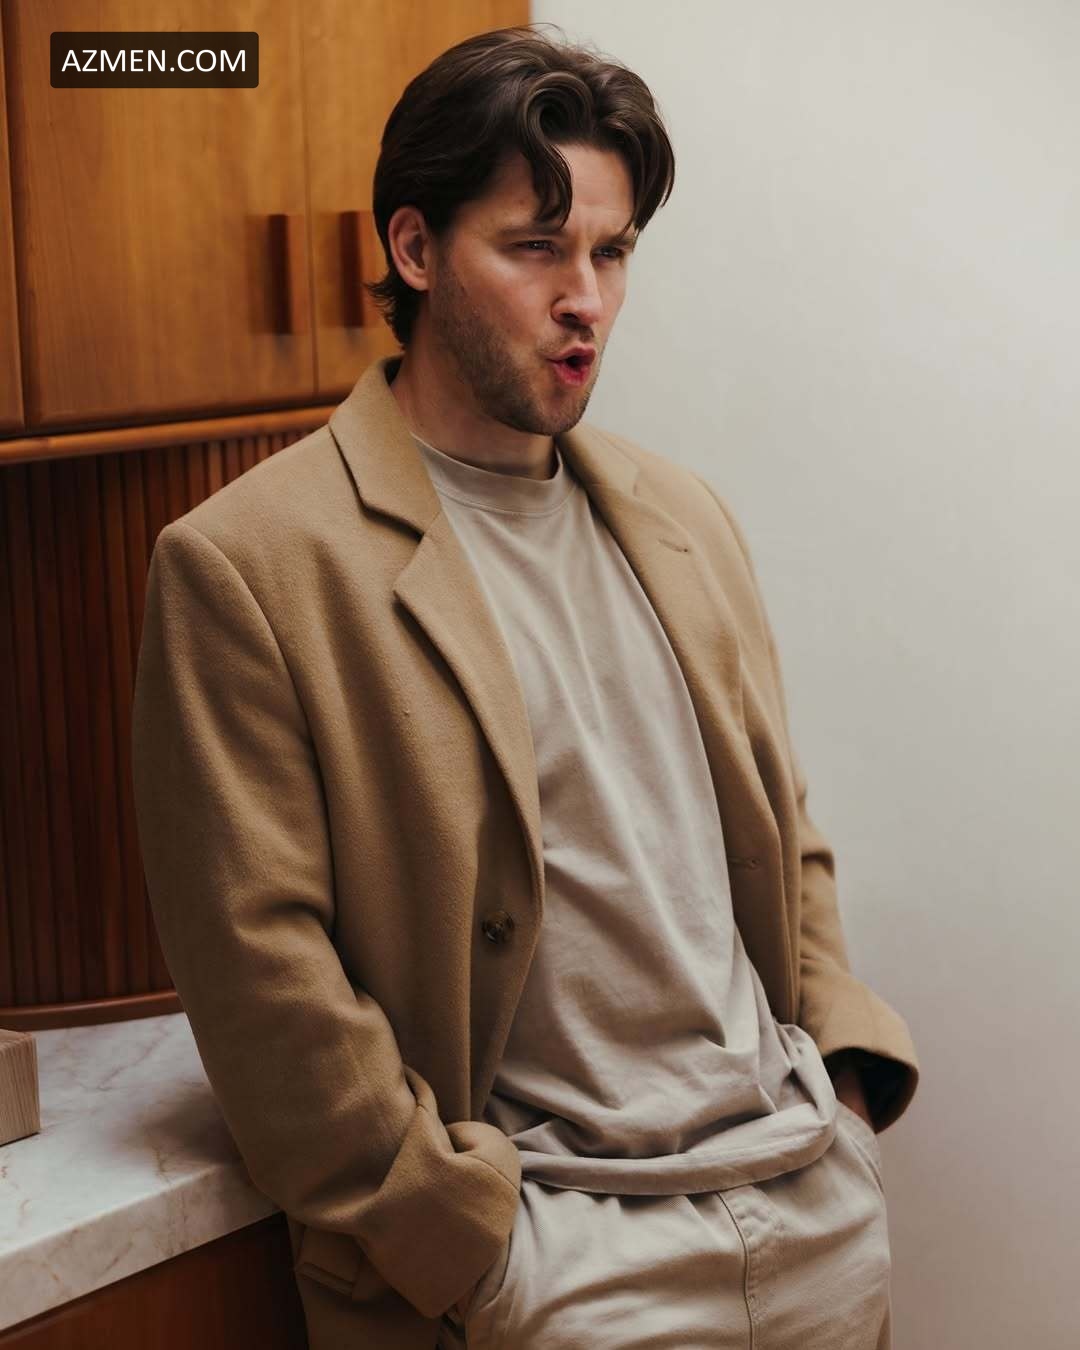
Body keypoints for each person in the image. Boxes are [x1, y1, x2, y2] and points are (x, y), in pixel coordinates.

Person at [131, 24, 918, 1350]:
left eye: (611, 252)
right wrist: (473, 1252)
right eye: (536, 247)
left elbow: (784, 834)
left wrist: (842, 1097)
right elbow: (263, 978)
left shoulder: (685, 517)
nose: (585, 300)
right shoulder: (247, 564)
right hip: (557, 1266)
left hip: (808, 1213)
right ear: (415, 248)